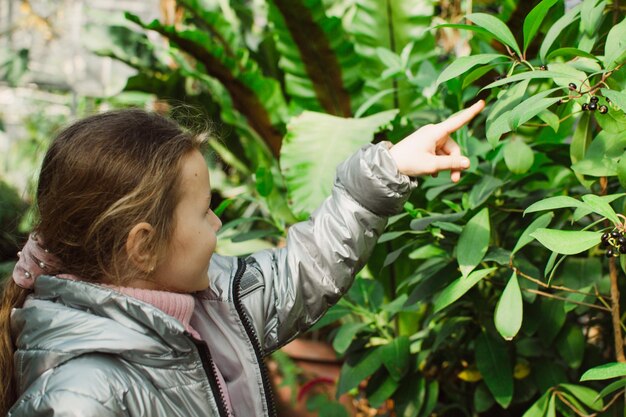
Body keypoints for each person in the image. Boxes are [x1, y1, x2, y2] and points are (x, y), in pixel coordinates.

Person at [0, 101, 484, 416]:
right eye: (205, 212)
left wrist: (386, 170)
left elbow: (302, 270)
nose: (217, 225)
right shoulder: (82, 399)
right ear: (143, 246)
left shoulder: (202, 302)